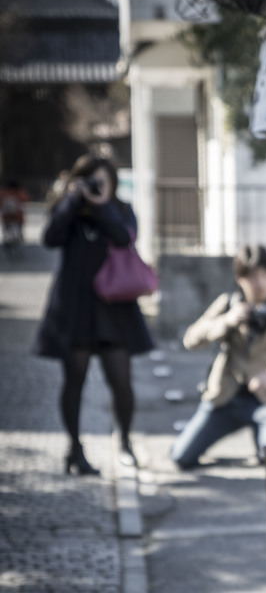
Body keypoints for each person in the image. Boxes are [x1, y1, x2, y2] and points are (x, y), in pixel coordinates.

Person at [33, 154, 154, 475]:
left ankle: (125, 442)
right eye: (91, 181)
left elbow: (124, 237)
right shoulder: (70, 210)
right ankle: (74, 449)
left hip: (114, 308)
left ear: (113, 183)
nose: (97, 187)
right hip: (75, 307)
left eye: (103, 182)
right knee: (74, 381)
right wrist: (73, 201)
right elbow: (50, 238)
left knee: (121, 380)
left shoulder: (122, 210)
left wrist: (101, 204)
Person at [170, 244, 266, 469]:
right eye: (252, 277)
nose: (260, 283)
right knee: (181, 457)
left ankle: (263, 444)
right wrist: (226, 321)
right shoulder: (227, 304)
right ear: (240, 279)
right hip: (225, 398)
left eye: (265, 275)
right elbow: (190, 339)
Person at [1, 178, 30, 253]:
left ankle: (7, 238)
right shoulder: (19, 192)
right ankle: (19, 235)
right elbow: (26, 199)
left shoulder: (3, 192)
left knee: (6, 225)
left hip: (7, 216)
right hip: (17, 216)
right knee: (19, 223)